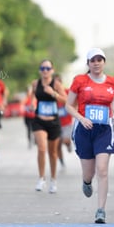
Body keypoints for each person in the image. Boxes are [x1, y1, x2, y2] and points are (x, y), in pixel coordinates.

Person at [65, 48, 114, 224]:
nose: (96, 63)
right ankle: (86, 182)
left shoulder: (113, 82)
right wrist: (81, 118)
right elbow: (68, 105)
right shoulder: (79, 80)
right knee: (89, 172)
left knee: (102, 169)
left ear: (104, 62)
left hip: (104, 130)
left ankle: (101, 210)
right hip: (84, 130)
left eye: (99, 59)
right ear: (88, 63)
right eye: (92, 60)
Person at [31, 60, 67, 193]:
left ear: (52, 70)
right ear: (40, 70)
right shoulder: (35, 83)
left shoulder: (56, 84)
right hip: (39, 120)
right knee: (41, 148)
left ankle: (53, 180)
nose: (45, 71)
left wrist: (53, 93)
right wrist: (32, 104)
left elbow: (66, 101)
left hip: (53, 122)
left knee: (52, 153)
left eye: (47, 68)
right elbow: (33, 97)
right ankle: (41, 178)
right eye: (42, 68)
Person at [53, 74, 73, 167]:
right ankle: (61, 161)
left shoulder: (67, 92)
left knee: (65, 140)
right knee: (57, 145)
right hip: (55, 124)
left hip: (67, 123)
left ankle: (68, 144)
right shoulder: (50, 93)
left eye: (58, 82)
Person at [22, 85, 36, 149]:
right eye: (28, 91)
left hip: (34, 117)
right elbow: (22, 107)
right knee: (28, 129)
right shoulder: (25, 99)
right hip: (27, 117)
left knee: (34, 129)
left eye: (30, 91)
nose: (29, 92)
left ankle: (35, 140)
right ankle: (30, 141)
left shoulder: (35, 98)